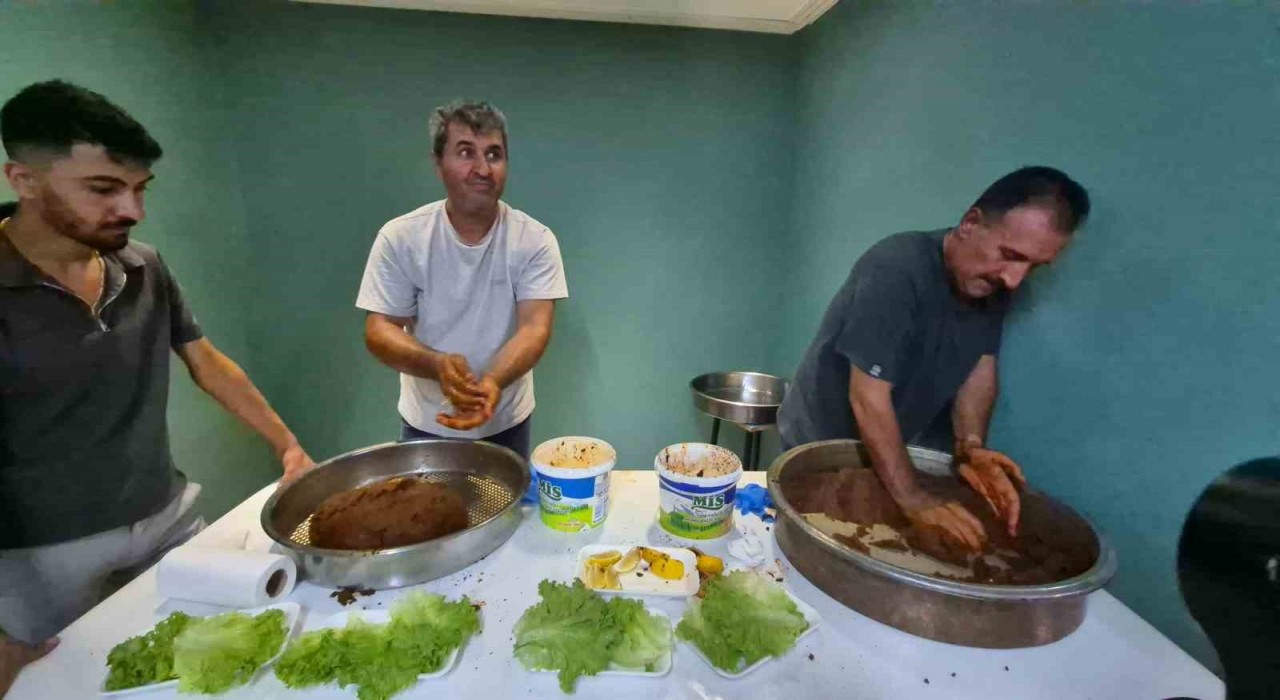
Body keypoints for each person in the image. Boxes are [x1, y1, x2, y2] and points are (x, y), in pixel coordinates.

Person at [0, 81, 314, 692]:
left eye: (139, 190)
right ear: (24, 179)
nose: (132, 210)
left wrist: (288, 445)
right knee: (83, 684)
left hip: (165, 515)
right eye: (103, 189)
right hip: (42, 559)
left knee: (218, 664)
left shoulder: (142, 264)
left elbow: (207, 361)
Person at [777, 166, 1090, 552]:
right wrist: (912, 497)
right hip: (823, 444)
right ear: (971, 223)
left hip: (893, 448)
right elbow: (868, 398)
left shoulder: (992, 282)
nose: (1015, 279)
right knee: (815, 549)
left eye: (1034, 267)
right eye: (1011, 255)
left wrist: (971, 447)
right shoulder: (895, 268)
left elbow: (980, 367)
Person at [357, 100, 567, 462]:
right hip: (426, 424)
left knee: (509, 516)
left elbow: (535, 328)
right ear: (439, 164)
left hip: (507, 422)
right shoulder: (401, 237)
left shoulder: (535, 239)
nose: (482, 168)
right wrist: (437, 364)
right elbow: (379, 329)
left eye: (494, 154)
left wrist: (492, 382)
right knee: (426, 517)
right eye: (466, 152)